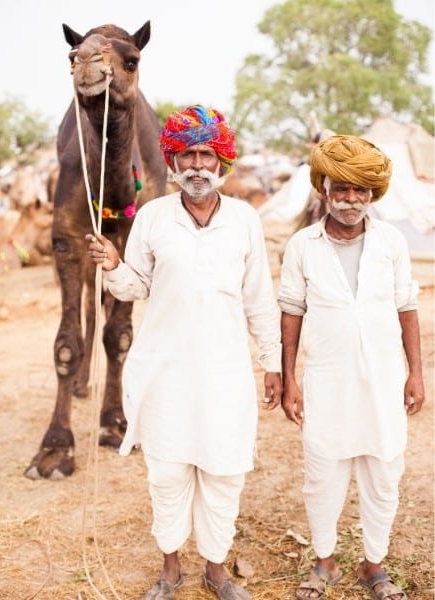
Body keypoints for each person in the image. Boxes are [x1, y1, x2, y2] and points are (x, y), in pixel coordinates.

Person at [86, 105, 282, 600]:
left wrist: (272, 363)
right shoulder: (152, 217)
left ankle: (216, 571)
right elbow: (134, 287)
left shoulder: (245, 220)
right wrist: (112, 263)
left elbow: (258, 297)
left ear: (222, 163)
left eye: (206, 155)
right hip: (165, 369)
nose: (197, 165)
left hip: (225, 370)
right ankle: (170, 570)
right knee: (168, 472)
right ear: (172, 162)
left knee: (223, 468)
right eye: (187, 155)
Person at [277, 135, 424, 600]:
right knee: (322, 474)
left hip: (382, 381)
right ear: (324, 189)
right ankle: (324, 564)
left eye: (360, 190)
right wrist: (290, 379)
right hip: (326, 379)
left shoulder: (392, 242)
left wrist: (416, 373)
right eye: (341, 189)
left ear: (372, 194)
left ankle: (373, 566)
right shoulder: (302, 245)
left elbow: (407, 307)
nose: (350, 199)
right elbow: (291, 313)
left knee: (383, 473)